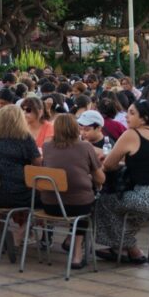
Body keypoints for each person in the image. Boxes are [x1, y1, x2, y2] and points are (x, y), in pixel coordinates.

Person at [94, 100, 149, 264]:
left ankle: (131, 249)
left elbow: (109, 165)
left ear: (144, 118)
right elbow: (147, 162)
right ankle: (121, 248)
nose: (126, 117)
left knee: (104, 201)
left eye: (132, 113)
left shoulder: (132, 134)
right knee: (127, 208)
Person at [41, 113, 105, 269]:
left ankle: (69, 241)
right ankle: (76, 255)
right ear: (75, 128)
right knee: (84, 204)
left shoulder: (46, 146)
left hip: (50, 205)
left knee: (77, 198)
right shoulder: (85, 147)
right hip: (77, 206)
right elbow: (101, 179)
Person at [0, 103, 41, 245]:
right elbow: (38, 165)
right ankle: (21, 232)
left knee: (5, 182)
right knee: (44, 193)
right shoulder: (24, 138)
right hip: (14, 195)